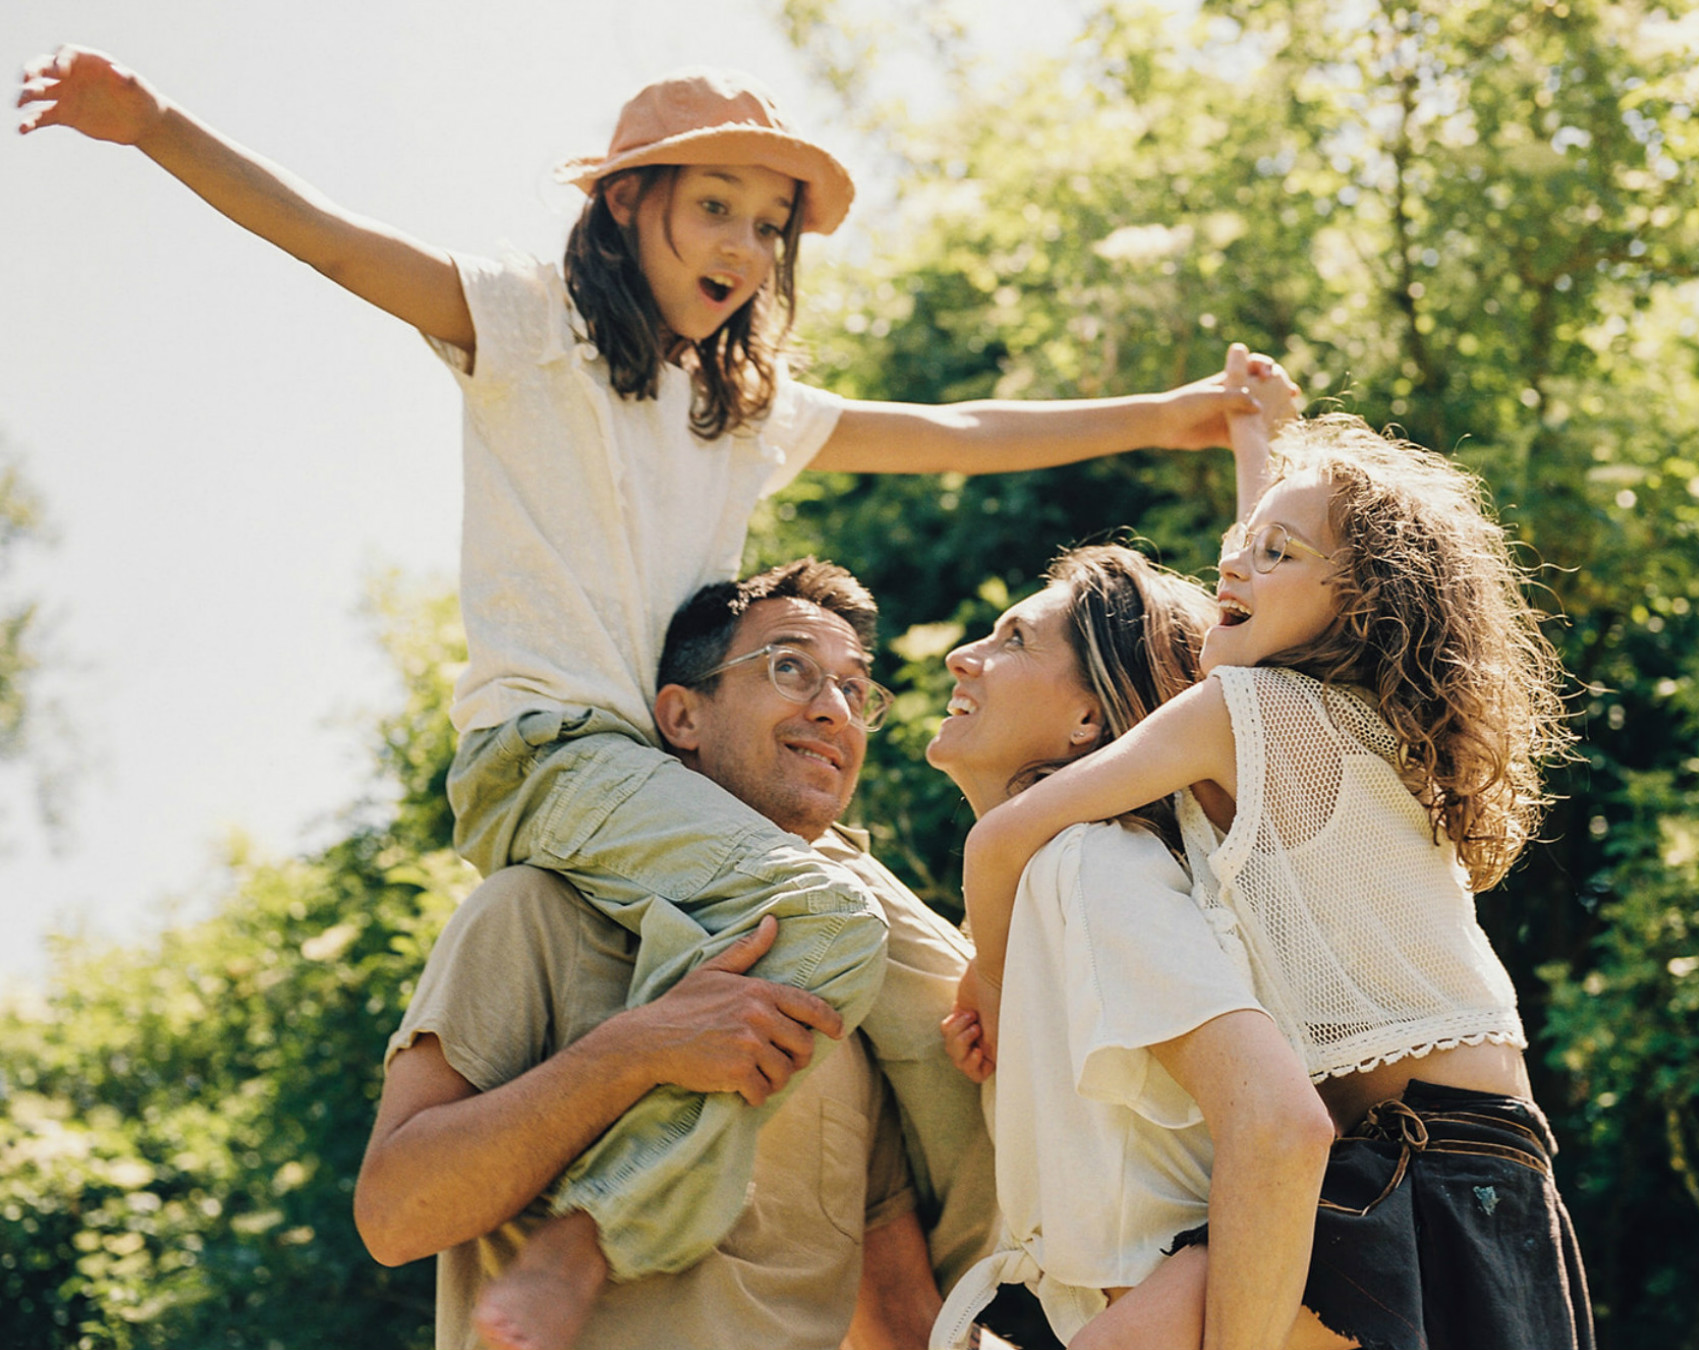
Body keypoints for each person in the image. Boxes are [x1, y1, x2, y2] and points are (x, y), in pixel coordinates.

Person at [17, 46, 1268, 1342]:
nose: (743, 245)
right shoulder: (525, 332)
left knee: (956, 994)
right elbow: (339, 246)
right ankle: (590, 1231)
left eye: (768, 225)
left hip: (667, 788)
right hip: (551, 752)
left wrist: (1167, 414)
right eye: (714, 205)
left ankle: (1034, 1300)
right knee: (826, 924)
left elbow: (952, 432)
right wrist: (153, 124)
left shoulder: (742, 409)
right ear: (627, 203)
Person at [947, 347, 1592, 1350]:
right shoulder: (1350, 721)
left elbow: (1005, 839)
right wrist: (1259, 437)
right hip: (1479, 1155)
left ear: (1361, 602)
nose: (1233, 567)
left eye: (1272, 555)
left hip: (1418, 1162)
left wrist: (990, 981)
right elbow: (1281, 568)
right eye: (1241, 547)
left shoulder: (1243, 714)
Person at [355, 559, 997, 1350]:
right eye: (790, 667)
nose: (834, 711)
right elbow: (393, 1216)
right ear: (683, 717)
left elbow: (900, 1317)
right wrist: (634, 1051)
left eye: (856, 690)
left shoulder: (851, 989)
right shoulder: (534, 915)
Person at [909, 542, 1335, 1350]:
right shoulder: (1053, 891)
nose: (966, 658)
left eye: (1014, 640)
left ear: (1088, 720)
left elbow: (1280, 1126)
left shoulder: (1094, 864)